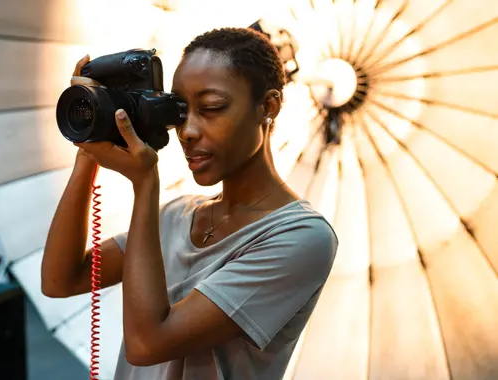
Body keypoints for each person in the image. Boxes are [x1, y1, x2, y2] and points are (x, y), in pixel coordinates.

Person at [41, 27, 338, 380]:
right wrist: (90, 147)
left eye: (211, 107)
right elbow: (61, 280)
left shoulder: (300, 237)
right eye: (180, 111)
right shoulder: (176, 216)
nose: (188, 131)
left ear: (268, 106)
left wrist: (144, 184)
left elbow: (147, 344)